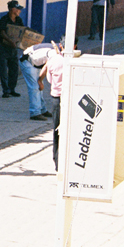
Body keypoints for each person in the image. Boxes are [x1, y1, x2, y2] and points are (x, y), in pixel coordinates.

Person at [39, 37, 78, 171]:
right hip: (71, 98)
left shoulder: (54, 60)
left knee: (57, 129)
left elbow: (49, 78)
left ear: (61, 46)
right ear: (74, 46)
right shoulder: (75, 61)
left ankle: (57, 160)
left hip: (56, 99)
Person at [20, 42, 55, 121]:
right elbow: (47, 66)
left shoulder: (57, 49)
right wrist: (40, 80)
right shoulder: (54, 53)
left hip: (36, 63)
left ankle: (42, 110)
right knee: (35, 87)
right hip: (27, 61)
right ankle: (35, 113)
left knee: (39, 88)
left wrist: (40, 81)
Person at [0, 0, 24, 98]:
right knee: (3, 70)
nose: (19, 11)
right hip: (3, 48)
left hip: (13, 49)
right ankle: (6, 90)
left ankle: (12, 89)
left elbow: (22, 31)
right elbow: (2, 33)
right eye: (18, 9)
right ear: (13, 9)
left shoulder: (19, 20)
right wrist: (10, 41)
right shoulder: (4, 19)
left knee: (14, 69)